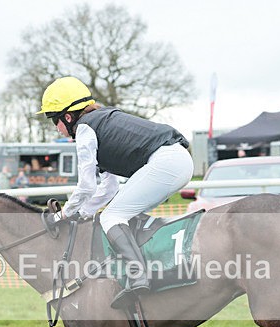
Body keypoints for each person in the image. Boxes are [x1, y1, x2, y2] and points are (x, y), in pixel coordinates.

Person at [37, 76, 193, 308]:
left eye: (54, 121)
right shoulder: (99, 123)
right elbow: (108, 187)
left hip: (166, 161)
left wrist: (64, 214)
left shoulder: (84, 130)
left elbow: (86, 185)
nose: (57, 128)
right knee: (122, 215)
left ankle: (138, 277)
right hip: (176, 159)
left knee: (112, 217)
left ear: (67, 117)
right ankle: (158, 268)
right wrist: (86, 212)